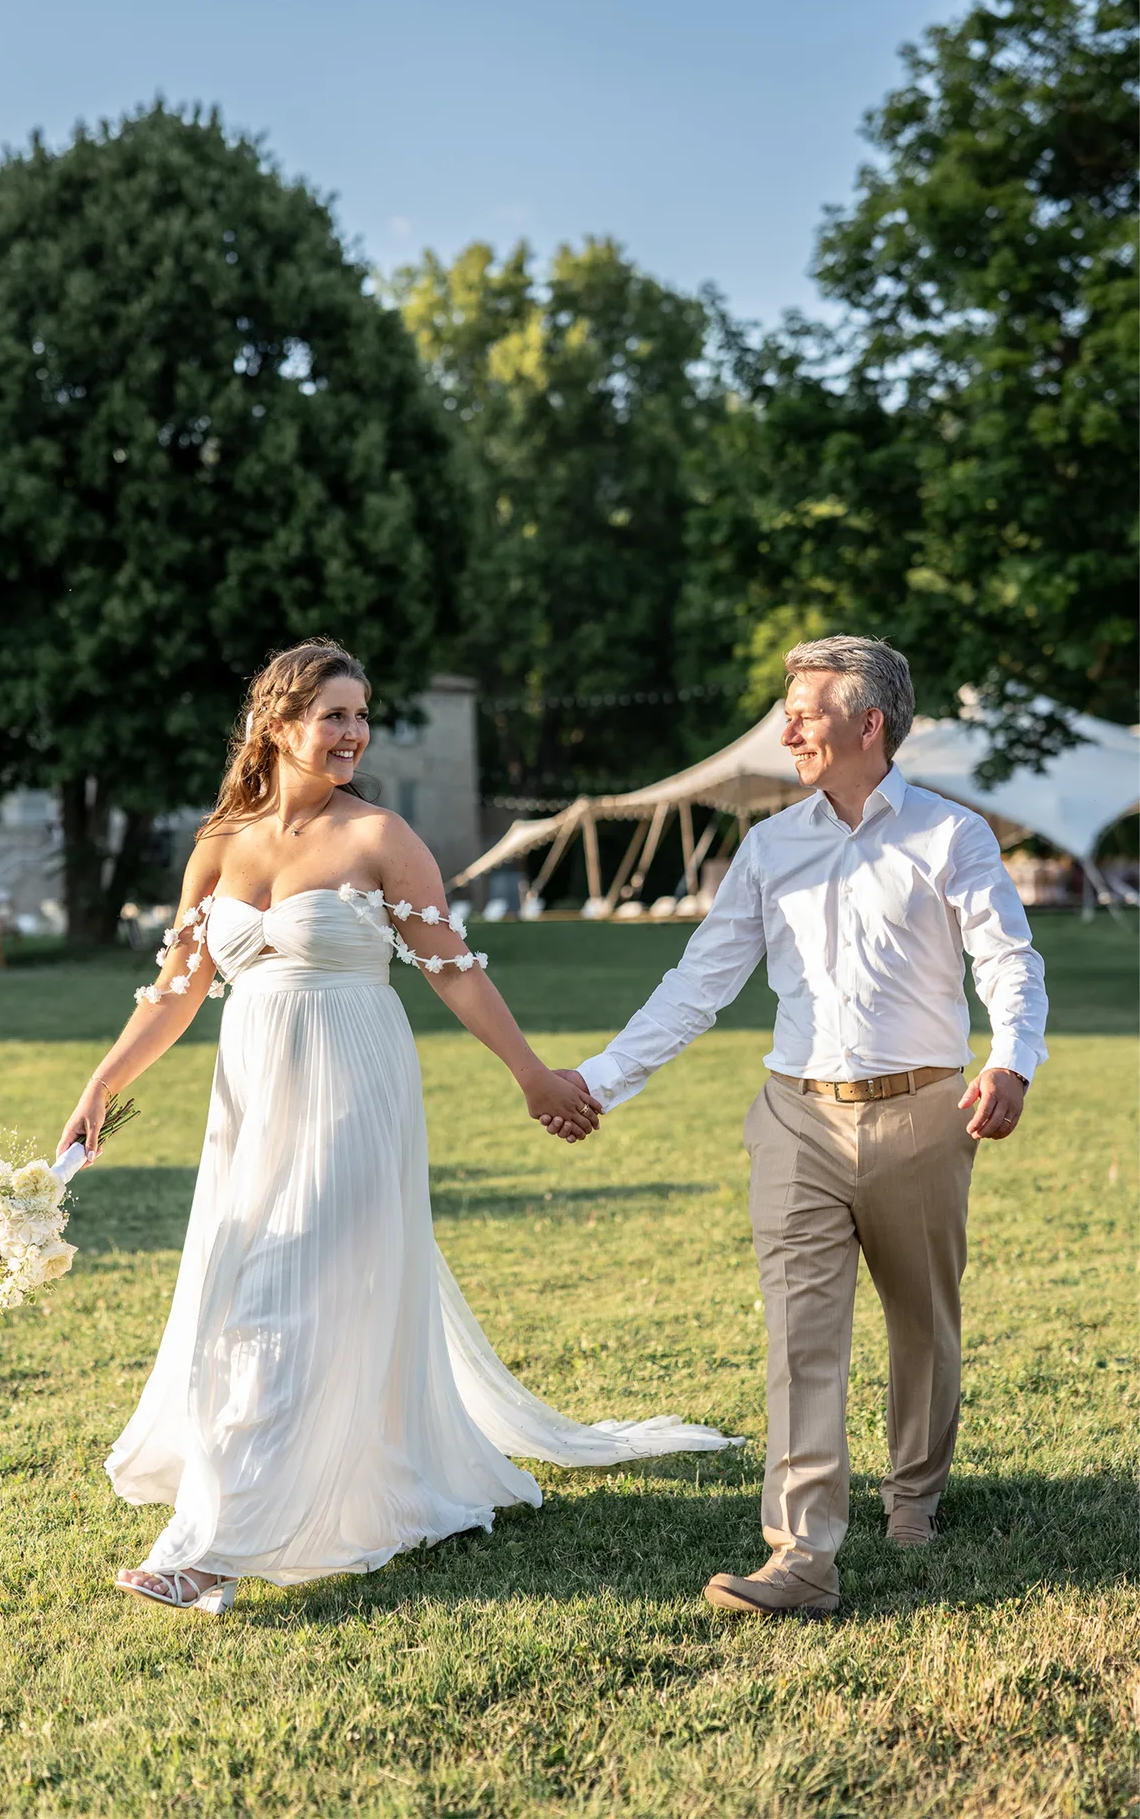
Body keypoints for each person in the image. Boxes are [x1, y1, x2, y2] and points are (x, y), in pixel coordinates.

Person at [58, 638, 740, 1615]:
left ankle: (207, 1553)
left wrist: (530, 1075)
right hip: (252, 1094)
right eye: (334, 714)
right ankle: (354, 1478)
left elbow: (453, 970)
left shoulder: (382, 839)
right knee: (242, 1290)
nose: (353, 733)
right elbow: (175, 990)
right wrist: (102, 1079)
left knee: (280, 1295)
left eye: (361, 715)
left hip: (352, 1083)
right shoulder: (218, 844)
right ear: (278, 725)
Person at [543, 636, 1048, 1617]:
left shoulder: (953, 836)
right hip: (794, 1121)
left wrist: (1009, 1059)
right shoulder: (770, 846)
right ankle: (801, 1554)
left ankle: (914, 1498)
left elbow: (1007, 960)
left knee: (923, 1326)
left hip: (924, 1114)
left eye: (804, 712)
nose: (786, 730)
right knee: (801, 1337)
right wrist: (599, 1079)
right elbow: (700, 982)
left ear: (868, 725)